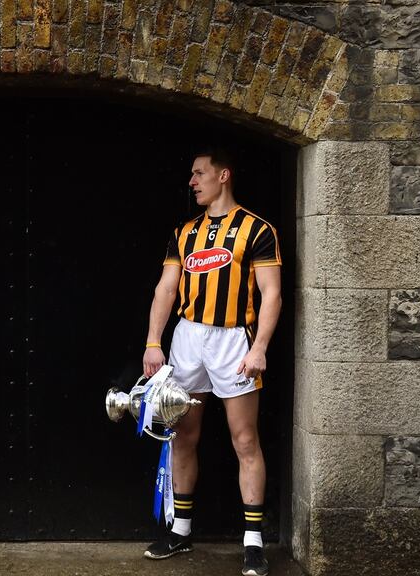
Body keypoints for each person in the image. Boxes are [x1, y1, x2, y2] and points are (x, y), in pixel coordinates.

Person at [140, 148, 281, 576]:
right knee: (182, 435)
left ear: (224, 175)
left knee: (243, 440)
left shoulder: (257, 229)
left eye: (199, 173)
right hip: (188, 336)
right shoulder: (184, 232)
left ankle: (253, 542)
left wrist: (260, 350)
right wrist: (153, 341)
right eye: (191, 174)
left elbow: (271, 293)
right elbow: (167, 288)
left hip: (234, 339)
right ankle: (180, 532)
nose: (192, 181)